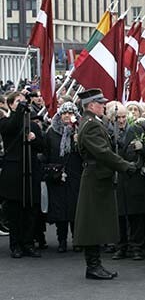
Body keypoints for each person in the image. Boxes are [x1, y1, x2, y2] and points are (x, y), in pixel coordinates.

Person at [73, 88, 136, 280]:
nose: (104, 106)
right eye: (101, 103)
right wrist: (125, 166)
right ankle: (93, 266)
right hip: (96, 178)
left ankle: (95, 264)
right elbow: (102, 153)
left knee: (95, 223)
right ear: (91, 105)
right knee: (92, 224)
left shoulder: (92, 122)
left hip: (98, 177)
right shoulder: (91, 125)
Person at [0, 91, 44, 258]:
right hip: (14, 173)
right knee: (15, 211)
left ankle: (28, 243)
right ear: (10, 105)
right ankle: (15, 244)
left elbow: (42, 147)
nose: (22, 104)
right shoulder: (5, 121)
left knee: (30, 210)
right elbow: (10, 128)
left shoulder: (32, 125)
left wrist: (34, 138)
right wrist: (19, 111)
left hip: (31, 171)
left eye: (23, 101)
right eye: (17, 101)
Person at [109, 103, 145, 262]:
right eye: (118, 117)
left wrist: (142, 148)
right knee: (119, 215)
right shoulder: (109, 133)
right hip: (118, 178)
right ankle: (121, 246)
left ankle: (136, 247)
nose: (121, 120)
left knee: (136, 215)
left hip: (134, 177)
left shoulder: (137, 130)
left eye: (124, 117)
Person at [43, 102, 82, 253]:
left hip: (75, 174)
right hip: (57, 176)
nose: (67, 116)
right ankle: (61, 241)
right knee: (60, 211)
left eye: (70, 113)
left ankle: (77, 240)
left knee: (75, 209)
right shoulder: (51, 132)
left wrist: (79, 142)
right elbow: (46, 153)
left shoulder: (79, 131)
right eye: (64, 113)